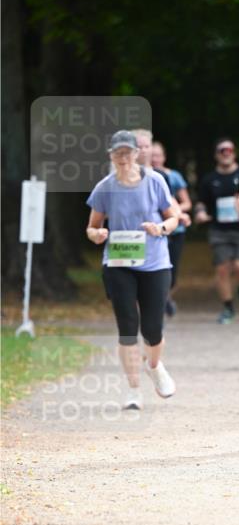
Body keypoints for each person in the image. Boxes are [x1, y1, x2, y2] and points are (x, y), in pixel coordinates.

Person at [85, 130, 179, 410]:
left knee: (152, 328)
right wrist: (97, 234)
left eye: (128, 152)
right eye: (118, 153)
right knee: (127, 326)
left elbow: (173, 217)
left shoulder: (155, 181)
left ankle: (154, 366)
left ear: (137, 154)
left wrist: (160, 228)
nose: (123, 157)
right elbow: (92, 226)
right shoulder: (105, 187)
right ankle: (133, 389)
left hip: (155, 263)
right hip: (118, 263)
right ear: (111, 156)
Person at [194, 138, 239, 324]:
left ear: (234, 153)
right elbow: (201, 202)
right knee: (222, 269)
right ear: (216, 155)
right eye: (222, 150)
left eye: (229, 150)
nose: (226, 153)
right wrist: (200, 213)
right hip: (219, 230)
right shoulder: (209, 179)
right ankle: (228, 307)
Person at [151, 140, 192, 317]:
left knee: (172, 271)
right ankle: (159, 301)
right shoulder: (143, 177)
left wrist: (173, 212)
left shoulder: (173, 176)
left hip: (176, 230)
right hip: (154, 230)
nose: (155, 159)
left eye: (158, 155)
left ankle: (165, 296)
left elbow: (187, 203)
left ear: (164, 157)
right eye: (152, 155)